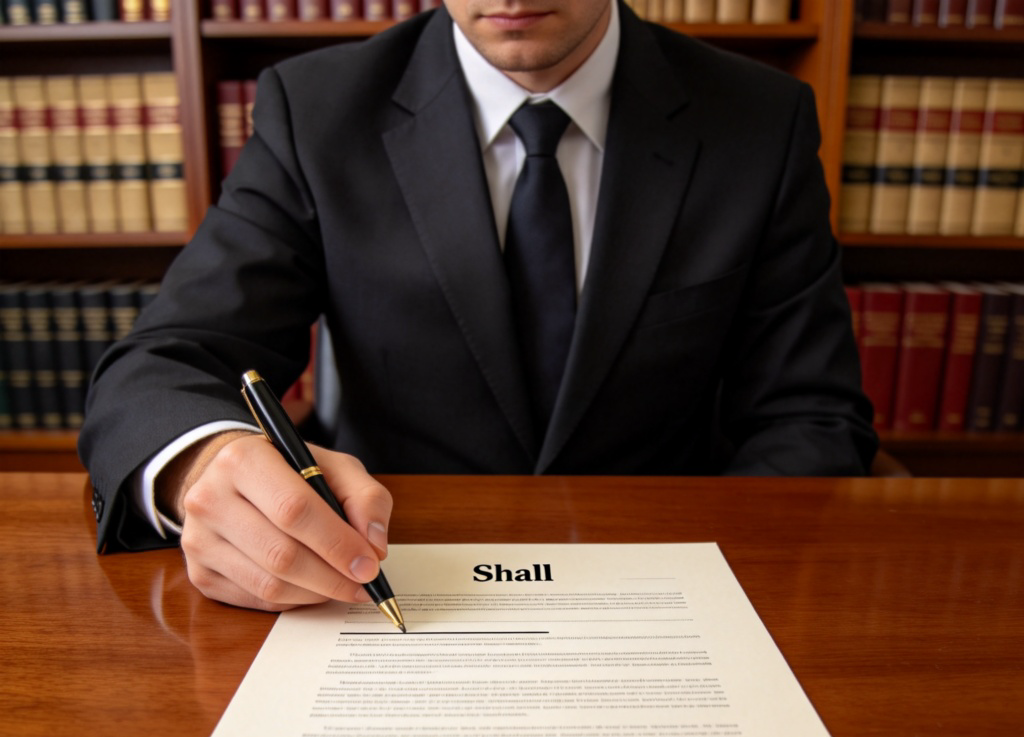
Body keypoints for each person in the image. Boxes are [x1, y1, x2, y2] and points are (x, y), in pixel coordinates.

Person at [79, 0, 877, 613]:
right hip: (382, 584)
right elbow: (165, 362)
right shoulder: (315, 109)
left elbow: (809, 416)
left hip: (668, 598)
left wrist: (706, 590)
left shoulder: (760, 120)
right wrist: (199, 467)